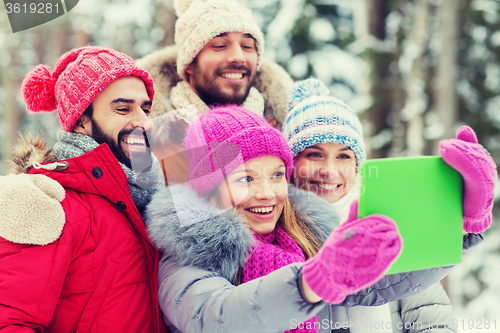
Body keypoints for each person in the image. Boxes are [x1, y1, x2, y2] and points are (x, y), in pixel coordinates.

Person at [145, 105, 469, 333]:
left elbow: (383, 282)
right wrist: (311, 281)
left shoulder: (300, 239)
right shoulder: (187, 256)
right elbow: (219, 317)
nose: (267, 192)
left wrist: (462, 224)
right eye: (246, 178)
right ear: (210, 187)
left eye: (275, 175)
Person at [281, 78, 495, 332]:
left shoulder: (387, 223)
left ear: (357, 165)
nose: (329, 170)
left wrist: (463, 223)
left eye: (343, 156)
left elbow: (431, 317)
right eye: (314, 154)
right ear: (291, 163)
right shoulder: (274, 234)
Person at [0, 46, 168, 332]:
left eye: (146, 108)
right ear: (81, 121)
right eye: (123, 108)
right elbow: (11, 321)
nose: (142, 121)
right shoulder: (46, 201)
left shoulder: (154, 196)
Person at [137, 0, 293, 127]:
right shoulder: (149, 137)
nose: (238, 57)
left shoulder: (287, 132)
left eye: (247, 46)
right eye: (220, 46)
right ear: (189, 63)